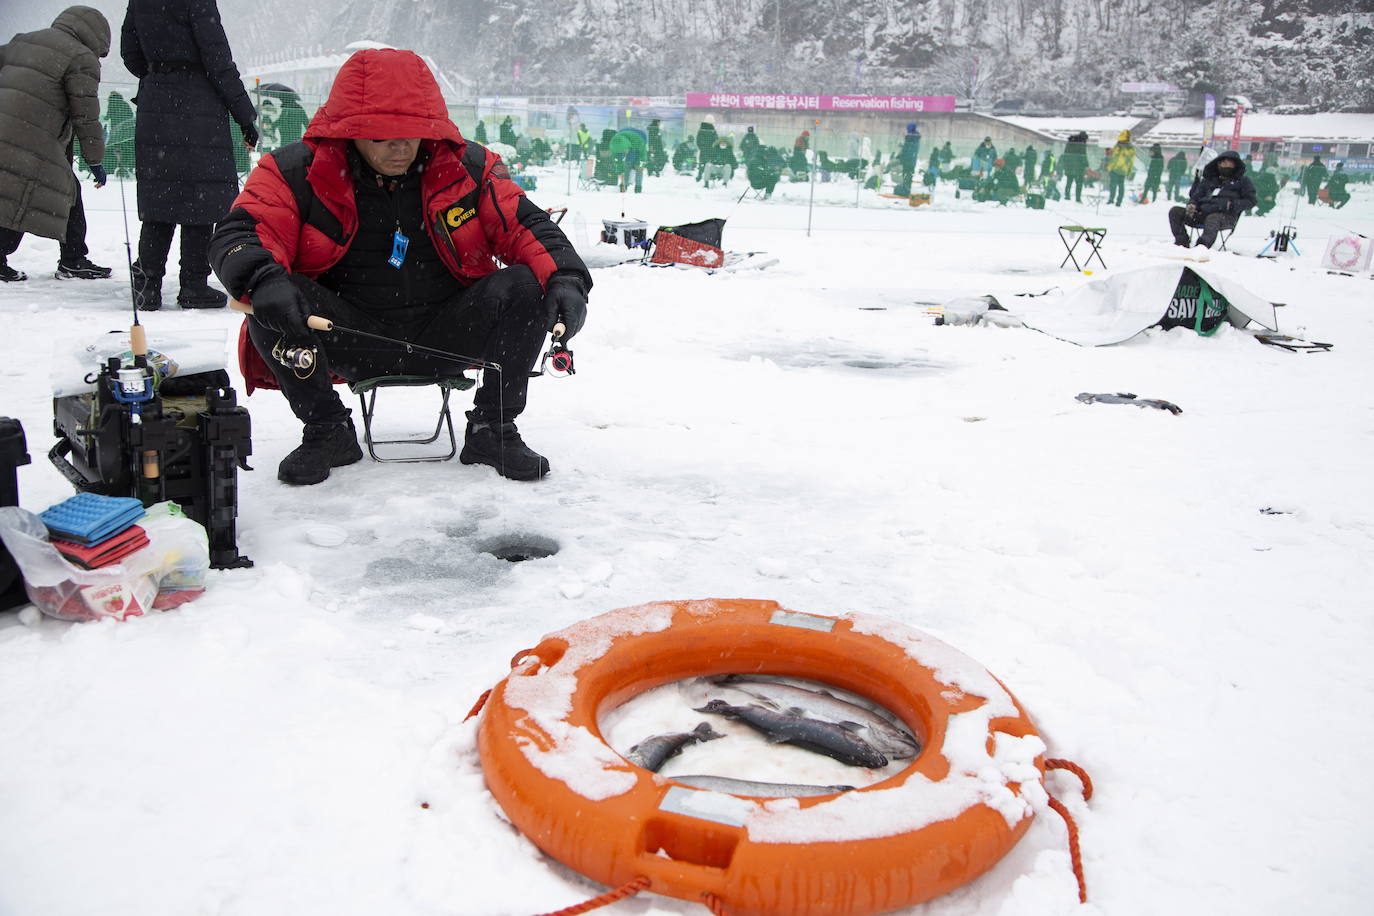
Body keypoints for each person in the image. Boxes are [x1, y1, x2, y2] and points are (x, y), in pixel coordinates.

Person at [209, 48, 590, 486]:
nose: (400, 148)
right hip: (349, 335)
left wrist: (567, 277)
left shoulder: (468, 168)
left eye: (410, 134)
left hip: (450, 333)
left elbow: (525, 223)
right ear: (348, 132)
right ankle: (327, 430)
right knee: (270, 299)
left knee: (528, 283)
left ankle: (493, 428)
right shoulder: (293, 172)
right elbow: (241, 232)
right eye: (381, 135)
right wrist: (261, 278)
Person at [121, 0, 258, 310]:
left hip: (155, 104)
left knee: (160, 198)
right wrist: (244, 116)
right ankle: (194, 286)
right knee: (200, 201)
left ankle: (148, 285)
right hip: (200, 105)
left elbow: (130, 54)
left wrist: (161, 75)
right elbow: (218, 59)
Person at [0, 6, 113, 283]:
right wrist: (95, 160)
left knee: (27, 191)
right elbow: (85, 115)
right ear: (96, 37)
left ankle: (73, 257)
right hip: (31, 141)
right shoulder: (81, 58)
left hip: (9, 132)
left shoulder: (21, 41)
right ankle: (73, 260)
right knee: (25, 196)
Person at [1168, 150, 1255, 248]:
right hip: (1201, 214)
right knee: (1175, 211)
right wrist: (1192, 204)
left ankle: (1202, 247)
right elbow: (1195, 196)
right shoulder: (1209, 180)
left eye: (1228, 162)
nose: (1224, 165)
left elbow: (1251, 201)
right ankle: (1182, 242)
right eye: (1222, 162)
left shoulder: (1243, 181)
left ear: (1235, 164)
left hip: (1226, 217)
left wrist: (1231, 204)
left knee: (1213, 218)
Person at [104, 89, 136, 177]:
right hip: (126, 131)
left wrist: (105, 118)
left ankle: (117, 164)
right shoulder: (124, 103)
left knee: (115, 147)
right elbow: (130, 115)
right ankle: (126, 164)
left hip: (116, 130)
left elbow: (108, 116)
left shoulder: (111, 104)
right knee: (126, 148)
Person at [1106, 130, 1136, 206]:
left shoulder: (1118, 147)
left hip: (1115, 169)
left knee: (1113, 185)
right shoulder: (1131, 148)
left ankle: (1111, 200)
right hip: (1124, 170)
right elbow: (1131, 161)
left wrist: (1109, 167)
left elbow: (1114, 158)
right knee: (1121, 186)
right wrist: (1129, 171)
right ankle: (1119, 202)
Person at [1060, 131, 1088, 202]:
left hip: (1069, 167)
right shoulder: (1082, 144)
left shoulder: (1070, 143)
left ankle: (1067, 195)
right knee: (1079, 184)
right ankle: (1078, 197)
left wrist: (1065, 165)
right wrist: (1086, 165)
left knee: (1069, 182)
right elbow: (1083, 157)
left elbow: (1065, 155)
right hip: (1079, 169)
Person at [894, 122, 920, 196]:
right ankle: (906, 189)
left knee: (907, 175)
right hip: (911, 161)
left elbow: (906, 150)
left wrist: (901, 157)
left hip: (908, 161)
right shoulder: (915, 137)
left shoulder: (910, 137)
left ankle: (906, 191)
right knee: (908, 176)